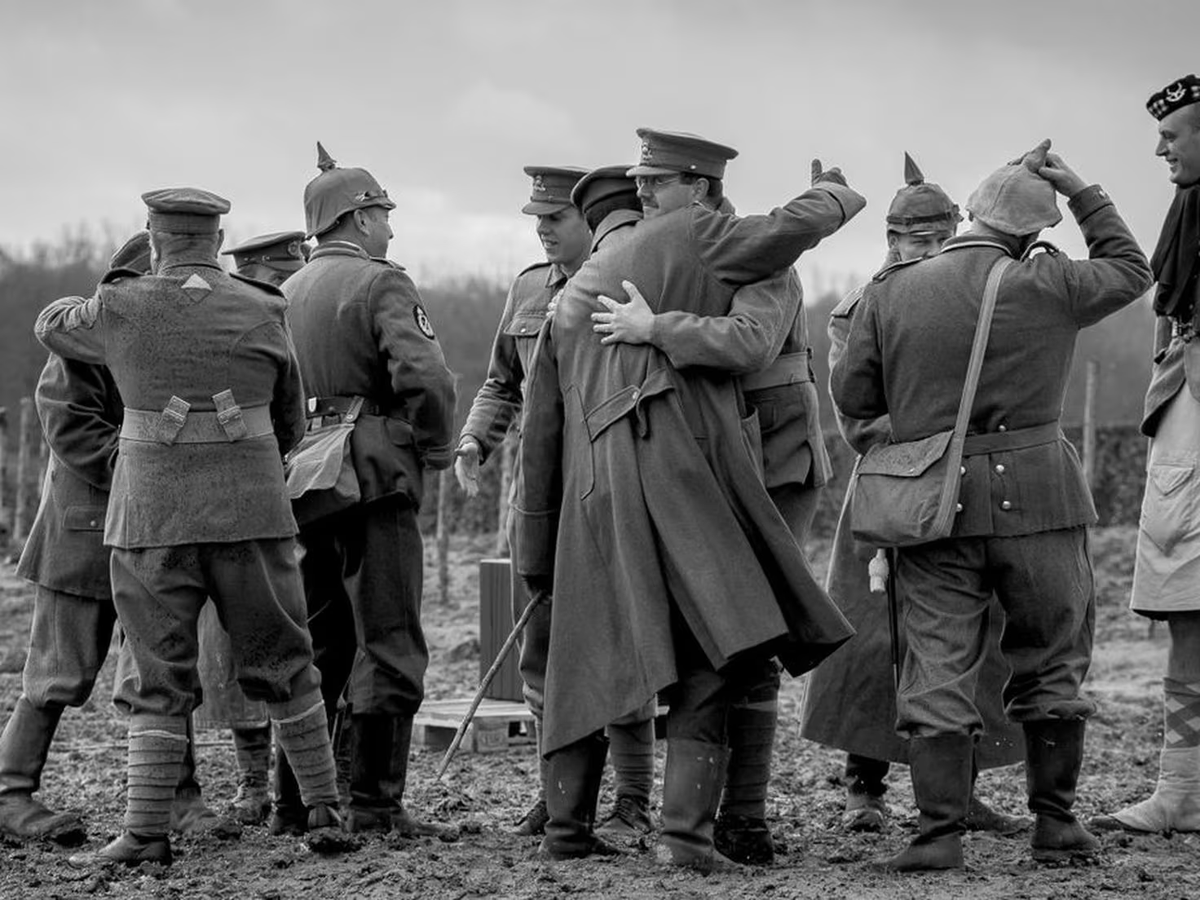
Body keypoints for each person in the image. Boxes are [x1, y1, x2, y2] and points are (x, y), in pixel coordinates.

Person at [515, 129, 863, 871]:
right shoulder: (701, 237)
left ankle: (570, 833)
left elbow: (540, 429)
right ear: (704, 187)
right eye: (642, 186)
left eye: (653, 182)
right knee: (719, 643)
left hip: (593, 492)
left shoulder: (576, 287)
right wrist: (834, 189)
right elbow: (785, 247)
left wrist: (536, 551)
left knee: (585, 655)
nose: (645, 196)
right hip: (686, 473)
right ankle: (690, 838)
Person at [831, 141, 1152, 870]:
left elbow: (854, 397)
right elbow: (1133, 269)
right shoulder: (1052, 283)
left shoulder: (893, 289)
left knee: (937, 663)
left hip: (934, 506)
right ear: (1032, 233)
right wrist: (1081, 191)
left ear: (969, 215)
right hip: (1041, 501)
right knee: (1051, 660)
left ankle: (938, 837)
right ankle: (1056, 826)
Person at [36, 189, 346, 867]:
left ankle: (147, 833)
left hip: (154, 517)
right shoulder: (266, 305)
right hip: (253, 510)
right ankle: (323, 808)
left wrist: (118, 285)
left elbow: (51, 325)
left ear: (154, 239)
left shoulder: (122, 305)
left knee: (157, 673)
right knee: (285, 656)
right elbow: (290, 418)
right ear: (216, 239)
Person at [799, 154, 1027, 836]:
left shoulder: (978, 296)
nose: (924, 251)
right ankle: (861, 786)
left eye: (936, 239)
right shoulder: (862, 306)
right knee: (874, 638)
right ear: (891, 241)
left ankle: (961, 789)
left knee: (974, 633)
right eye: (911, 240)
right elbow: (857, 413)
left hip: (968, 487)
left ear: (956, 234)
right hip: (892, 489)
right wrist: (930, 436)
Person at [282, 144, 456, 838]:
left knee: (320, 643)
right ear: (357, 218)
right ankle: (376, 807)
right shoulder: (381, 283)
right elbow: (428, 379)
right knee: (388, 641)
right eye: (383, 213)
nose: (390, 227)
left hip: (303, 480)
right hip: (374, 480)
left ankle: (299, 804)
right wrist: (437, 446)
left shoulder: (283, 292)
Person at [454, 166, 592, 837]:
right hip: (532, 498)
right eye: (536, 219)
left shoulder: (626, 283)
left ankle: (624, 804)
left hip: (601, 494)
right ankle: (556, 794)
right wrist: (476, 440)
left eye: (555, 218)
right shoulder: (528, 289)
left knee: (606, 646)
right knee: (537, 647)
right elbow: (500, 383)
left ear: (590, 219)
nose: (542, 230)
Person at [1093, 73, 1200, 835]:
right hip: (1184, 434)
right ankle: (1183, 790)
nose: (1160, 148)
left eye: (1175, 134)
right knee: (1190, 612)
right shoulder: (1189, 210)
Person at [183, 230, 308, 826]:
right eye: (283, 270)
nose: (290, 280)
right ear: (256, 270)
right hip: (223, 501)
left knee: (283, 643)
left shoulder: (277, 316)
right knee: (227, 649)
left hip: (278, 496)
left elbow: (292, 413)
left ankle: (295, 786)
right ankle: (252, 782)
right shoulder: (225, 320)